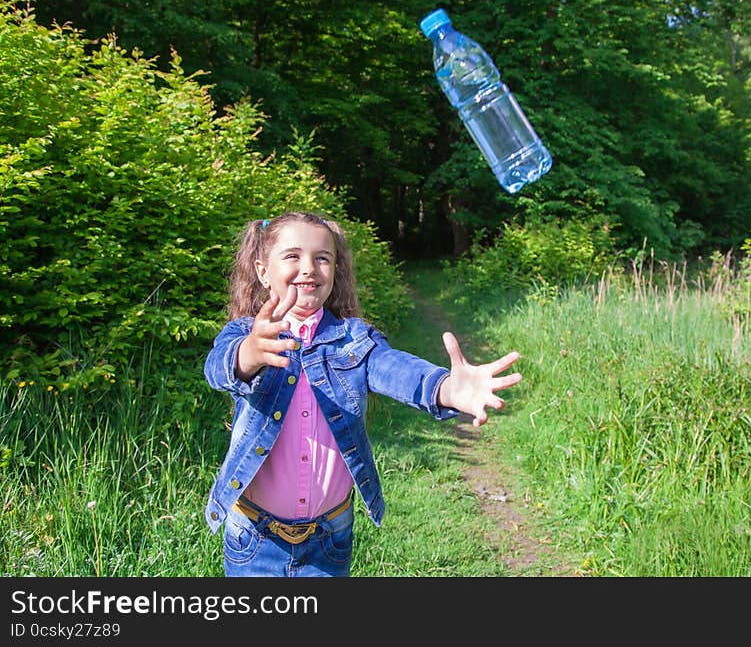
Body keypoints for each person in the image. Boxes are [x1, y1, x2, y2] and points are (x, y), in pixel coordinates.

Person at [203, 211, 522, 577]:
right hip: (254, 538)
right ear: (262, 271)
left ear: (335, 270)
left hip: (329, 538)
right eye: (292, 256)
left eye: (322, 258)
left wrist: (447, 389)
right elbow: (218, 368)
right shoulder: (245, 334)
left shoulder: (354, 341)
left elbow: (398, 371)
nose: (309, 268)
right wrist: (249, 354)